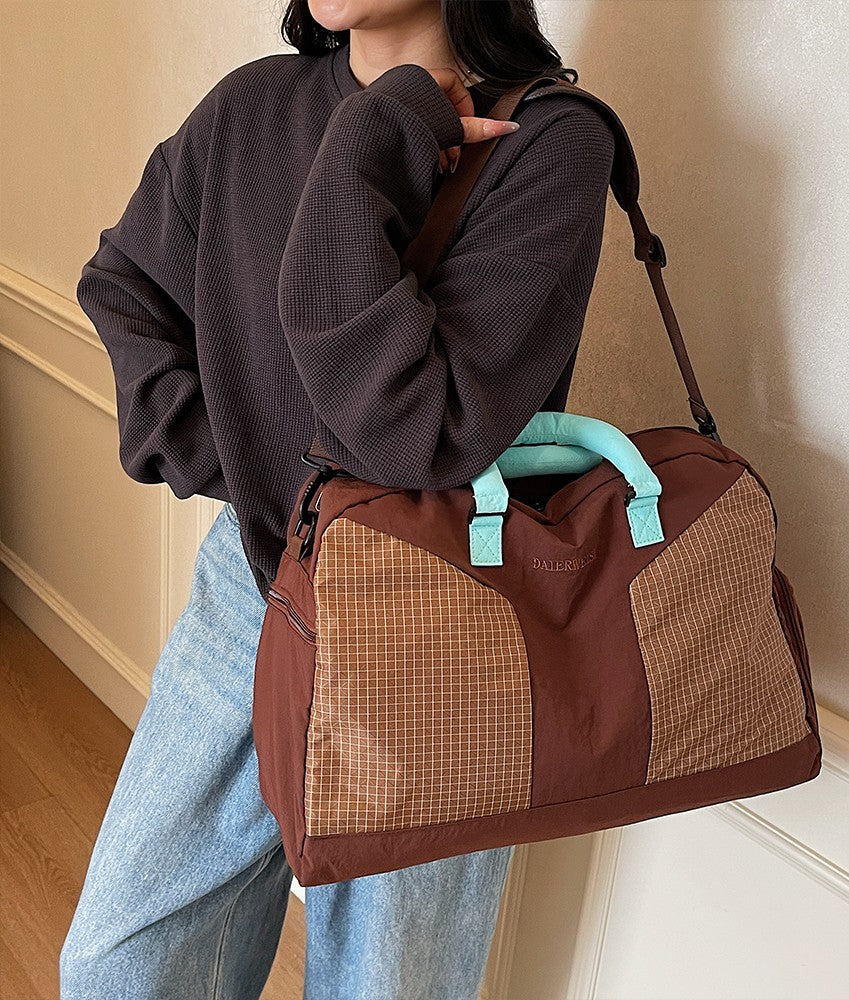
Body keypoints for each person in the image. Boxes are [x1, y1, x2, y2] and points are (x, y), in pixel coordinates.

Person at [59, 0, 616, 996]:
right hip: (255, 589)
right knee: (121, 964)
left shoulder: (550, 144)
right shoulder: (250, 109)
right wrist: (228, 457)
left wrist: (377, 132)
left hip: (438, 635)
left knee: (384, 984)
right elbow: (127, 284)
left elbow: (415, 432)